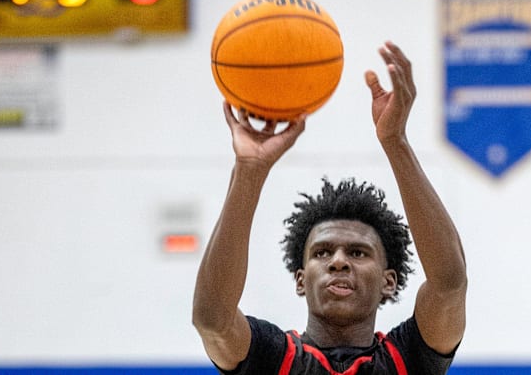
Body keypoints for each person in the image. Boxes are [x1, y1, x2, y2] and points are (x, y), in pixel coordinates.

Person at [192, 41, 467, 374]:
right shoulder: (274, 358)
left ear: (388, 281)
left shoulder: (407, 358)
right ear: (300, 279)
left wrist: (395, 140)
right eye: (321, 253)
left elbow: (450, 283)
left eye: (358, 253)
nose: (338, 262)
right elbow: (212, 319)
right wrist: (249, 171)